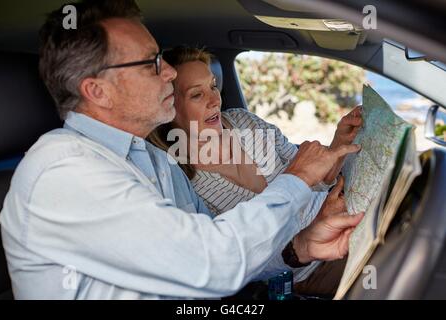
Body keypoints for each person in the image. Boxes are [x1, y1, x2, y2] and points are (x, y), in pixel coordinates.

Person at [0, 0, 363, 299]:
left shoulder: (155, 160)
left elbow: (218, 242)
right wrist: (296, 178)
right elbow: (211, 264)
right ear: (98, 91)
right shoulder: (63, 168)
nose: (169, 73)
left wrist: (298, 248)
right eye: (151, 62)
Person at [149, 47, 363, 297]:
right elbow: (239, 259)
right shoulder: (183, 182)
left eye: (213, 86)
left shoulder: (243, 121)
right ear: (170, 108)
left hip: (345, 227)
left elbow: (311, 180)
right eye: (197, 95)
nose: (215, 100)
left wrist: (337, 146)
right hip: (305, 273)